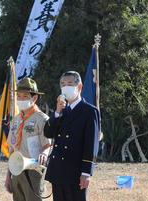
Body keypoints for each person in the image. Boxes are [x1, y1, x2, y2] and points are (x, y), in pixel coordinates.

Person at [44, 71, 100, 201]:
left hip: (76, 171)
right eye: (62, 84)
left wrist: (86, 172)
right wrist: (57, 112)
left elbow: (91, 144)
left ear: (79, 87)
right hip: (58, 170)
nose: (65, 87)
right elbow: (48, 133)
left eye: (69, 83)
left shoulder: (89, 111)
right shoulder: (61, 111)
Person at [5, 77, 51, 201]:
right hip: (16, 170)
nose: (20, 99)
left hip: (34, 171)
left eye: (25, 96)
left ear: (34, 98)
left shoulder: (42, 119)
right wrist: (8, 176)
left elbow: (48, 145)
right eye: (18, 96)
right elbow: (12, 149)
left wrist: (44, 153)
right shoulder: (16, 120)